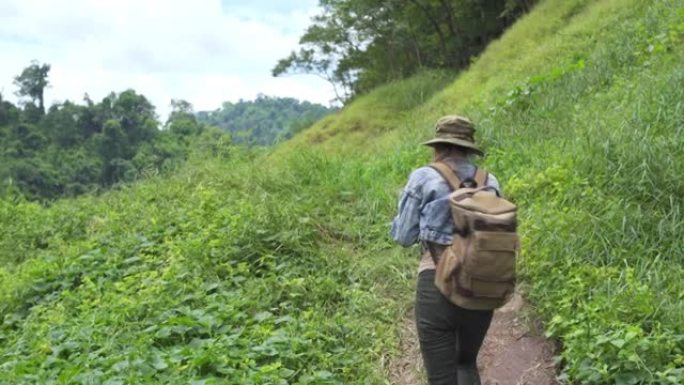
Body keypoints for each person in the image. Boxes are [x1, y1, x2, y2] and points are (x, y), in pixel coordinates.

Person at [390, 115, 500, 385]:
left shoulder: (424, 176)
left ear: (439, 146)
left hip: (437, 284)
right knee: (466, 364)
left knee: (441, 378)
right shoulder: (490, 181)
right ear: (467, 148)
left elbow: (404, 236)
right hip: (483, 285)